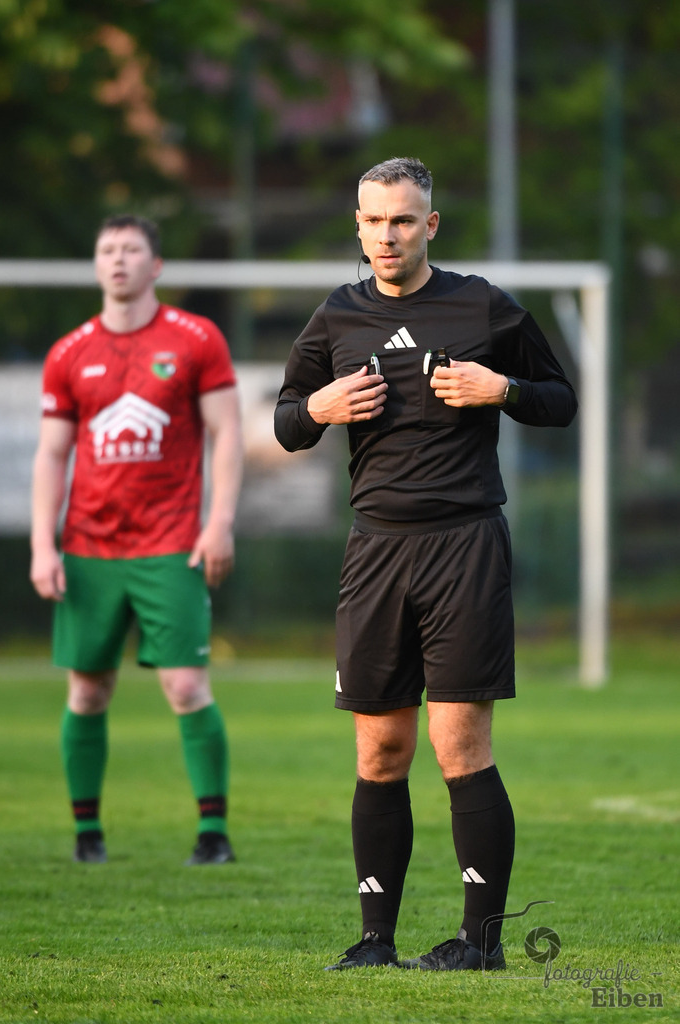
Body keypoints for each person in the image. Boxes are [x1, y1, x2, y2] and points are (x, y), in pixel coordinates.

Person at [274, 158, 577, 971]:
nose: (387, 235)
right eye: (373, 220)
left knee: (458, 745)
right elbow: (286, 422)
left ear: (430, 225)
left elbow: (559, 400)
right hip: (375, 550)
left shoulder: (482, 305)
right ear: (358, 225)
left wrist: (501, 388)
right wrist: (317, 407)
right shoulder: (337, 316)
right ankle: (375, 941)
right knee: (379, 751)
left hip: (464, 545)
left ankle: (481, 943)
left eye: (402, 220)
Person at [30, 214, 243, 866]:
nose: (117, 259)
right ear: (97, 264)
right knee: (88, 691)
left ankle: (213, 833)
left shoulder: (195, 339)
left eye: (130, 249)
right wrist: (42, 544)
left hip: (172, 543)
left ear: (156, 266)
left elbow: (227, 433)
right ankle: (87, 834)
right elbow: (52, 454)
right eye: (107, 250)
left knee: (186, 686)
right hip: (89, 547)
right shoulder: (69, 352)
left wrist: (219, 521)